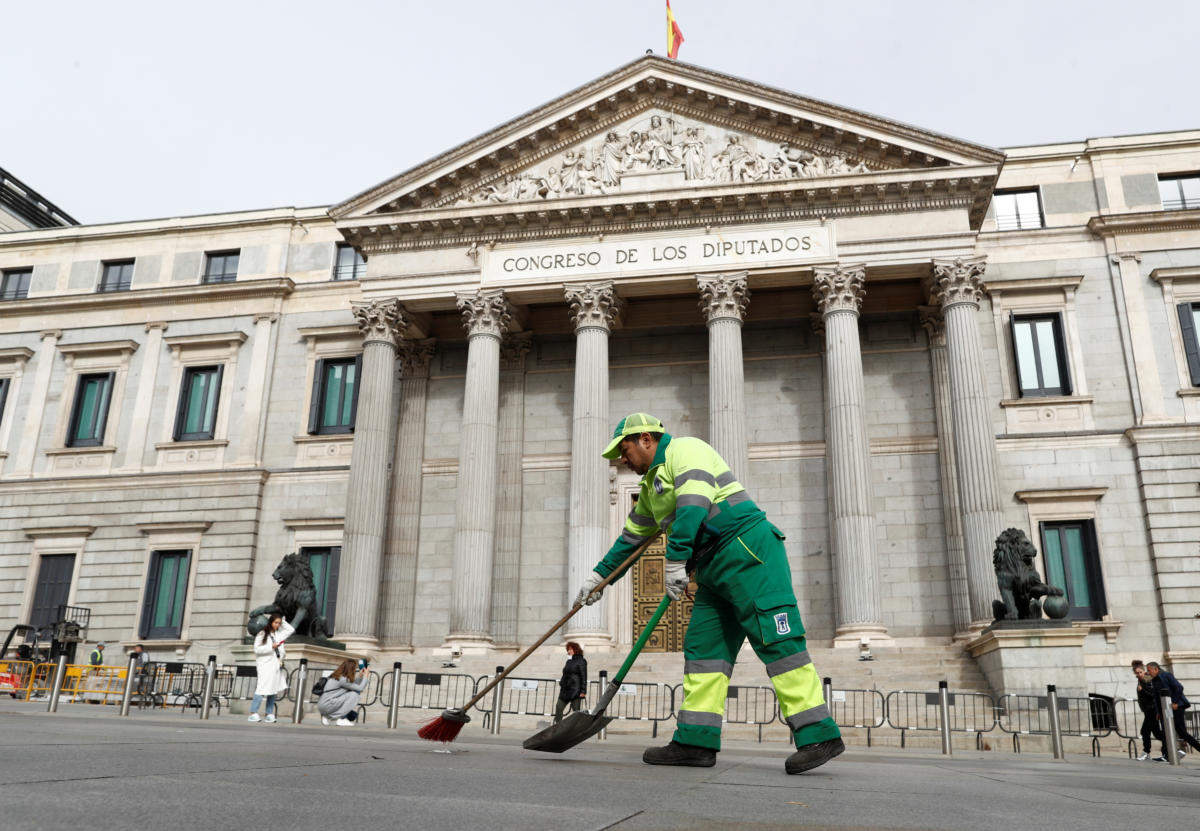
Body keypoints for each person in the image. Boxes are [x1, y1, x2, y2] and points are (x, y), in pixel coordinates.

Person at [574, 413, 843, 774]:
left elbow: (693, 507)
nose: (621, 460)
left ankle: (818, 734)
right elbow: (631, 540)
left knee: (777, 641)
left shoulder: (686, 450)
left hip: (746, 550)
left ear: (645, 439)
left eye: (623, 450)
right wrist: (599, 579)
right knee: (704, 651)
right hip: (711, 568)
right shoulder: (652, 489)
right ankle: (695, 740)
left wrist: (674, 561)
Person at [1147, 661, 1200, 760]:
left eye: (1149, 670)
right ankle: (1166, 755)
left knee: (1182, 732)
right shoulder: (1154, 680)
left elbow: (1179, 688)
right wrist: (1159, 712)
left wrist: (1175, 702)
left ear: (1156, 669)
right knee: (1165, 731)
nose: (1148, 672)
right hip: (1165, 709)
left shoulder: (1166, 675)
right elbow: (1157, 697)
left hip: (1176, 708)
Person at [249, 613, 293, 723]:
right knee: (261, 688)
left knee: (273, 689)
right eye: (275, 622)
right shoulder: (262, 633)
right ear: (271, 622)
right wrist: (271, 647)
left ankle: (269, 713)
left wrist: (283, 621)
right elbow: (257, 649)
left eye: (279, 623)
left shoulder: (279, 634)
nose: (277, 625)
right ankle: (253, 712)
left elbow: (290, 630)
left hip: (275, 665)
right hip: (265, 665)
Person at [317, 658, 370, 726]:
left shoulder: (337, 676)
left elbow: (353, 686)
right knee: (354, 695)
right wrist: (366, 676)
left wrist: (360, 676)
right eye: (354, 668)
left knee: (353, 715)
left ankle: (327, 716)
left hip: (324, 704)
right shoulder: (343, 679)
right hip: (328, 704)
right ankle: (341, 719)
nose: (355, 670)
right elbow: (360, 688)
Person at [1132, 660, 1166, 761]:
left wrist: (1142, 690)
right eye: (1137, 673)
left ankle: (1147, 752)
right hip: (1148, 710)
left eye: (1140, 672)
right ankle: (1169, 748)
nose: (1139, 674)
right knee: (1153, 732)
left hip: (1152, 709)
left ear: (1144, 671)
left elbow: (1153, 694)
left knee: (1146, 731)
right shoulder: (1140, 679)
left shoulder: (1147, 678)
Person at [554, 642, 587, 723]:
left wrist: (583, 691)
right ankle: (557, 726)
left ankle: (576, 729)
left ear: (575, 649)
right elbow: (565, 674)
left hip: (575, 690)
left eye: (570, 649)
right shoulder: (568, 662)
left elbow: (584, 677)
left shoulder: (581, 661)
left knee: (576, 712)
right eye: (568, 650)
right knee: (559, 707)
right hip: (565, 690)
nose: (568, 652)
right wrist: (562, 683)